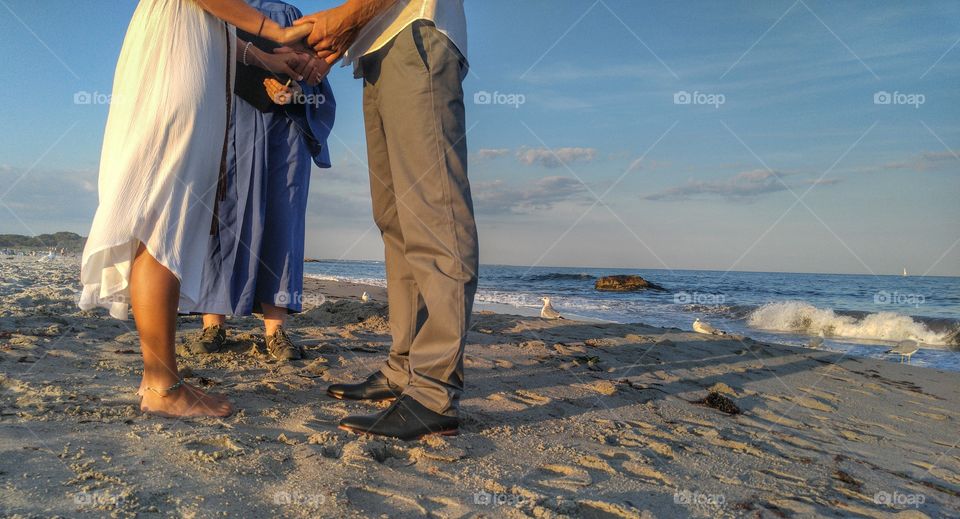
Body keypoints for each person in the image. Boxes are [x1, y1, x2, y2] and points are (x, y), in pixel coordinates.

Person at [79, 0, 316, 418]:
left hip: (185, 49)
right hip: (179, 60)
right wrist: (274, 33)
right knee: (163, 213)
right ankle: (161, 385)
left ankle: (158, 376)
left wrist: (263, 56)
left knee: (163, 211)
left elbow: (214, 24)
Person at [298, 0, 478, 440]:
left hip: (418, 32)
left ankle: (434, 391)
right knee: (396, 221)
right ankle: (404, 369)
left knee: (435, 213)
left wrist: (345, 17)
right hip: (377, 54)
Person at [183, 0, 336, 362]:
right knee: (220, 218)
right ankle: (212, 323)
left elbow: (317, 80)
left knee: (282, 223)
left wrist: (297, 94)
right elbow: (197, 61)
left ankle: (275, 330)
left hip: (284, 134)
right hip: (228, 125)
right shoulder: (216, 8)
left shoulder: (289, 16)